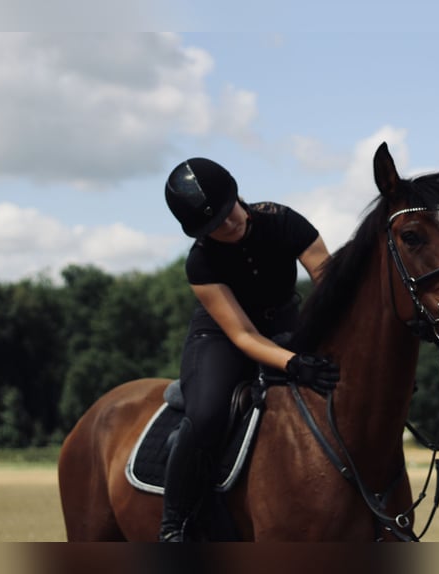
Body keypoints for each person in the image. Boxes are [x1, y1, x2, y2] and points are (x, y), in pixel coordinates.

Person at [160, 157, 340, 542]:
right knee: (207, 414)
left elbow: (330, 283)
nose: (228, 225)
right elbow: (242, 335)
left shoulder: (286, 221)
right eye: (214, 226)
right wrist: (294, 364)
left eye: (228, 212)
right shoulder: (201, 261)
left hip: (287, 323)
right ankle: (173, 524)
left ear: (237, 194)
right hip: (221, 337)